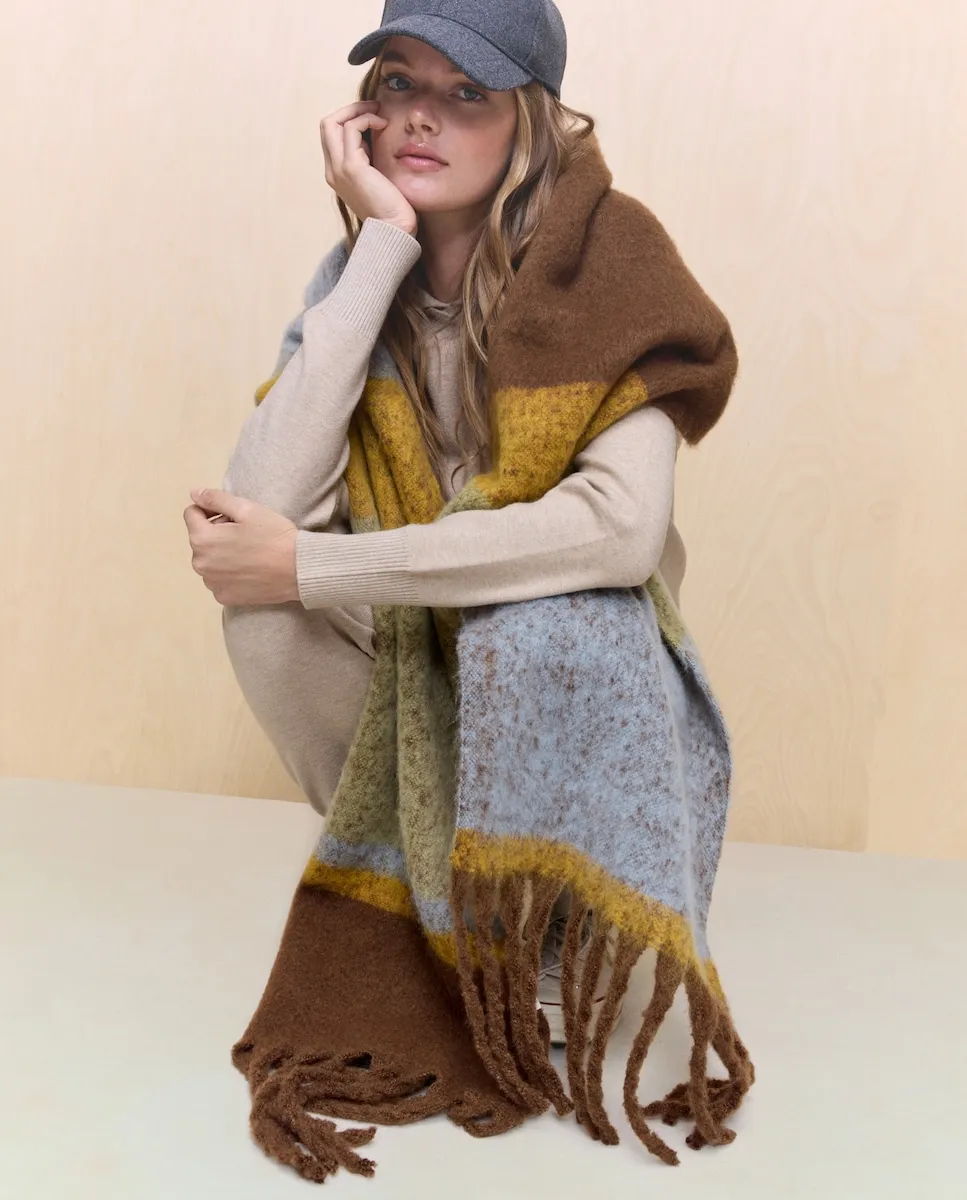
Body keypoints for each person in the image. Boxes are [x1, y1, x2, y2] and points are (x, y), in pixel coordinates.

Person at [186, 0, 704, 1049]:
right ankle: (430, 890)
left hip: (564, 647)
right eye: (399, 83)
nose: (422, 116)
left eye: (467, 91)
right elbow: (266, 511)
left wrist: (316, 567)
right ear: (362, 115)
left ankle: (550, 923)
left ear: (529, 119)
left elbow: (617, 531)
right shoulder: (354, 279)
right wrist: (381, 245)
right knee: (265, 619)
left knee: (542, 625)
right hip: (416, 635)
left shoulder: (611, 263)